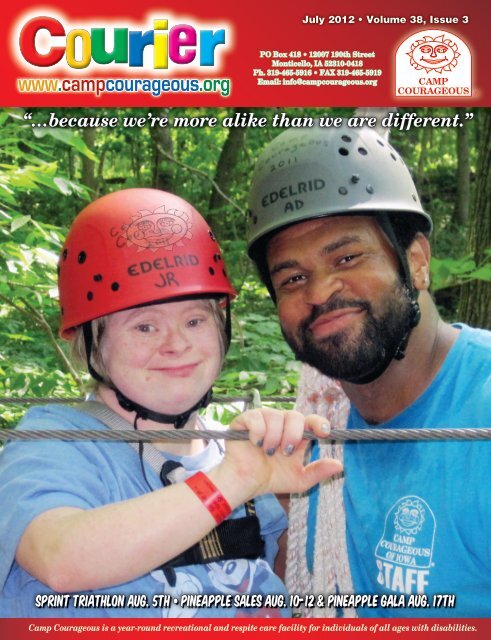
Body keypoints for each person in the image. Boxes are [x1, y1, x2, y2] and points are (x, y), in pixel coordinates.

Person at [0, 188, 342, 618]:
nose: (177, 344)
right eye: (145, 327)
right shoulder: (53, 442)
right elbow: (60, 558)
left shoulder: (238, 454)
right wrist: (230, 482)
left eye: (195, 320)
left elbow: (281, 580)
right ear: (91, 343)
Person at [246, 125, 491, 618]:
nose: (318, 292)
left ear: (416, 261)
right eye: (293, 278)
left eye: (347, 256)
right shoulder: (312, 438)